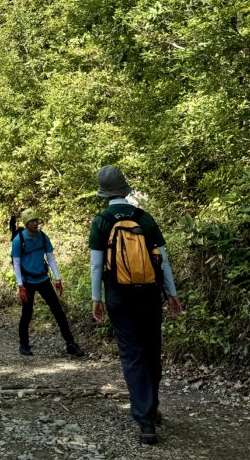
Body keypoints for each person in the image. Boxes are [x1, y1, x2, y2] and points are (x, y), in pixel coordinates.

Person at [89, 166, 183, 445]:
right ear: (125, 188)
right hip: (149, 296)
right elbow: (162, 260)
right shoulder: (145, 218)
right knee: (152, 349)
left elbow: (96, 265)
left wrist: (97, 298)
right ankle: (150, 408)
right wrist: (172, 293)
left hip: (119, 297)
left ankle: (145, 420)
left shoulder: (102, 221)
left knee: (132, 354)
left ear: (104, 192)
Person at [12, 208, 85, 358]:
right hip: (27, 282)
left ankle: (71, 344)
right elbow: (16, 264)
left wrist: (58, 278)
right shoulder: (19, 240)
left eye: (36, 220)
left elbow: (50, 258)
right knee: (27, 313)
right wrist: (20, 286)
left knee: (58, 312)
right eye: (32, 221)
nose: (35, 223)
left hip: (43, 279)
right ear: (26, 223)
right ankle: (24, 345)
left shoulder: (43, 237)